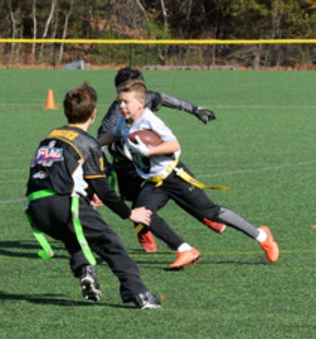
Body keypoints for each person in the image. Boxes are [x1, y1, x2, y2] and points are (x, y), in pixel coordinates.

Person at [99, 80, 279, 269]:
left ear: (140, 103)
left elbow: (174, 145)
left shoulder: (150, 121)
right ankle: (185, 250)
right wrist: (94, 145)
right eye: (120, 101)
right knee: (142, 213)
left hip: (174, 176)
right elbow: (114, 134)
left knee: (210, 212)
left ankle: (262, 236)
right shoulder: (124, 120)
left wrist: (149, 152)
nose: (121, 106)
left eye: (126, 102)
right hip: (153, 182)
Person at [25, 83, 162, 309]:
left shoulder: (49, 137)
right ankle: (139, 293)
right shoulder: (87, 142)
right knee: (111, 244)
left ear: (66, 111)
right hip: (64, 203)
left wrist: (88, 193)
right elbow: (104, 190)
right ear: (93, 113)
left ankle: (85, 269)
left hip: (36, 208)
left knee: (73, 236)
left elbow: (59, 171)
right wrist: (129, 213)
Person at [98, 66, 216, 256]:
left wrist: (194, 109)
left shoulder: (148, 96)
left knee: (179, 185)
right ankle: (144, 232)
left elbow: (165, 99)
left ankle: (206, 216)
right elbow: (102, 140)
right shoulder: (115, 114)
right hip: (127, 165)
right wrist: (104, 167)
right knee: (139, 205)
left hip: (151, 158)